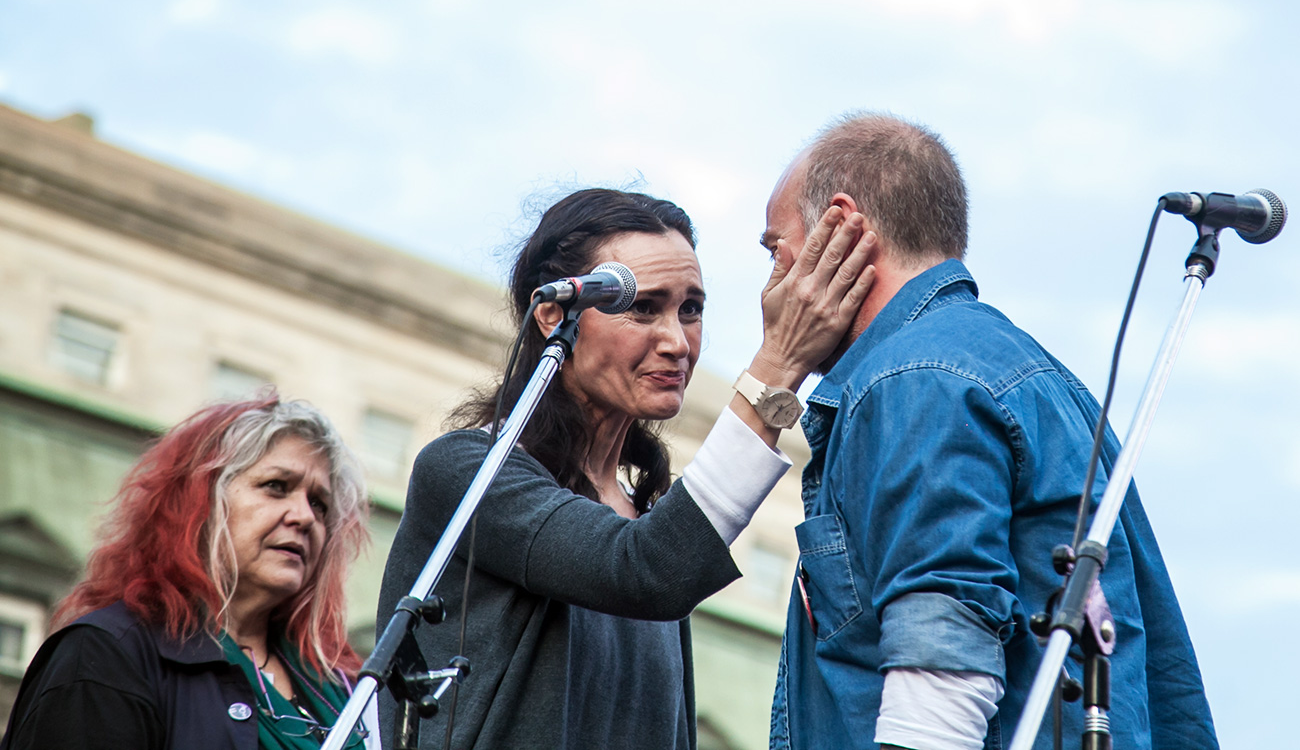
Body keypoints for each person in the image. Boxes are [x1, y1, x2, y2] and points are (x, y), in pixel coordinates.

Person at [765, 113, 1219, 750]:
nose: (770, 286)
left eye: (775, 251)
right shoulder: (1024, 373)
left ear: (840, 230)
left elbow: (941, 675)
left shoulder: (915, 382)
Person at [378, 187, 876, 749]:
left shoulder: (644, 517)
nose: (676, 342)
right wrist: (779, 364)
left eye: (690, 309)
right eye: (642, 307)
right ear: (553, 316)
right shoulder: (468, 470)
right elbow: (646, 570)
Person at [0, 394, 380, 750]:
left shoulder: (346, 687)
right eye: (276, 486)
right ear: (201, 502)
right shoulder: (105, 653)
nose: (304, 516)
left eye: (319, 504)